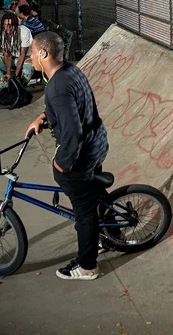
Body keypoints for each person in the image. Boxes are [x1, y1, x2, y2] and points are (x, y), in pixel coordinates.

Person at [25, 31, 109, 281]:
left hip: (80, 157)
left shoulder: (57, 88)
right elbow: (74, 108)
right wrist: (44, 117)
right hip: (98, 144)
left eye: (32, 52)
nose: (30, 57)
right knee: (96, 197)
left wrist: (62, 164)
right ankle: (106, 237)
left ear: (43, 53)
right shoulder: (69, 70)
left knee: (84, 212)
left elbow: (72, 133)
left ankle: (87, 266)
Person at [0, 12, 34, 93]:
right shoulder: (0, 32)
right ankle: (5, 88)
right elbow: (7, 55)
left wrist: (15, 75)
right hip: (12, 59)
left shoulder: (24, 32)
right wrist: (8, 73)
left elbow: (22, 55)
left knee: (28, 69)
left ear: (15, 25)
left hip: (25, 58)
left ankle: (20, 89)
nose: (7, 28)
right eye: (5, 25)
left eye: (10, 25)